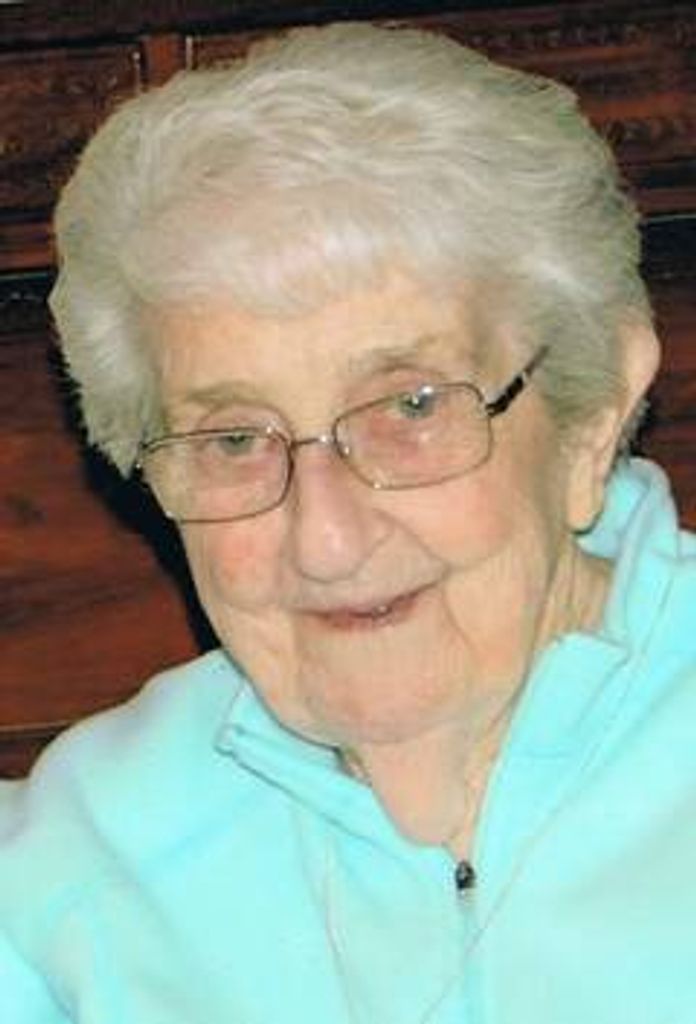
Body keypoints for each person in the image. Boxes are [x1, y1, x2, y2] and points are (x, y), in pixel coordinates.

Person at [1, 20, 694, 1024]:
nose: (325, 541)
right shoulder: (83, 854)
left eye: (411, 406)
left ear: (591, 415)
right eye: (233, 438)